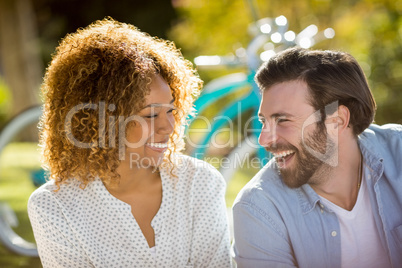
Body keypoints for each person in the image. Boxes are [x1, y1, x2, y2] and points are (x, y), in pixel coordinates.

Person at [28, 18, 231, 267]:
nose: (169, 127)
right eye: (150, 115)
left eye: (170, 110)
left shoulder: (200, 183)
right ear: (102, 122)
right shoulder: (54, 207)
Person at [232, 47, 402, 268]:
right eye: (264, 121)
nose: (264, 139)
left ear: (337, 121)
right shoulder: (259, 208)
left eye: (282, 120)